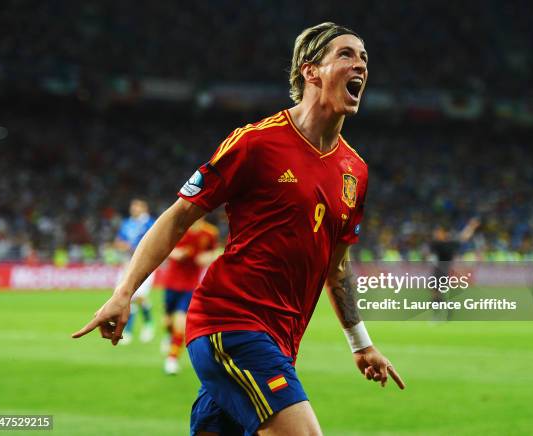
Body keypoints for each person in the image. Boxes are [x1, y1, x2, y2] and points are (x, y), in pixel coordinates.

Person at [73, 22, 405, 435]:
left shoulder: (355, 170)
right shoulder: (256, 143)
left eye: (364, 58)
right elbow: (179, 216)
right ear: (311, 71)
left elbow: (336, 268)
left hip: (281, 341)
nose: (360, 65)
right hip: (230, 324)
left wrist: (361, 344)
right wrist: (123, 293)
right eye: (347, 55)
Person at [161, 218, 220, 375]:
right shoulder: (178, 227)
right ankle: (169, 336)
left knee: (180, 321)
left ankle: (171, 359)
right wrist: (175, 253)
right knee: (167, 322)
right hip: (171, 283)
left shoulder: (210, 232)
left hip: (190, 285)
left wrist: (207, 257)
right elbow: (164, 246)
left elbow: (215, 252)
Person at [113, 198, 156, 344]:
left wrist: (135, 247)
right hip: (128, 263)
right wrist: (122, 245)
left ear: (144, 208)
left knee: (139, 296)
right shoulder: (127, 223)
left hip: (146, 264)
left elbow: (155, 241)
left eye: (137, 206)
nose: (134, 208)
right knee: (126, 296)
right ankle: (128, 330)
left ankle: (148, 324)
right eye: (133, 206)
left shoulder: (150, 223)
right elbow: (118, 242)